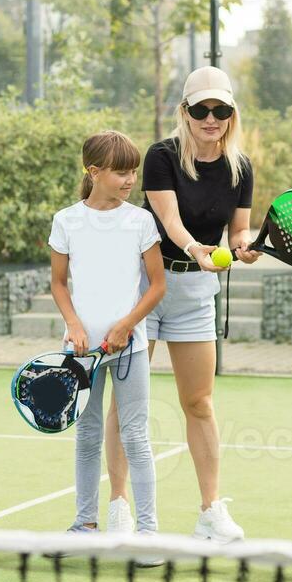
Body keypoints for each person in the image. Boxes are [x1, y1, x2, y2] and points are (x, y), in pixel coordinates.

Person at [103, 66, 256, 543]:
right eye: (201, 109)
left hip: (195, 297)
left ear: (231, 113)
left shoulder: (240, 167)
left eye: (221, 110)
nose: (211, 119)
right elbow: (168, 220)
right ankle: (118, 507)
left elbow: (238, 231)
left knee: (199, 402)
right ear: (185, 112)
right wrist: (197, 250)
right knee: (128, 404)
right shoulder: (161, 156)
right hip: (145, 287)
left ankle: (210, 511)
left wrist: (242, 246)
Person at [47, 131, 166, 561]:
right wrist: (74, 325)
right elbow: (59, 284)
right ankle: (83, 525)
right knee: (87, 435)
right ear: (94, 172)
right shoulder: (66, 220)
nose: (130, 178)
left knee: (136, 437)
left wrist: (128, 325)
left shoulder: (140, 221)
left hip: (130, 349)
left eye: (133, 170)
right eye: (121, 171)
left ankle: (149, 533)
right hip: (80, 353)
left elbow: (157, 285)